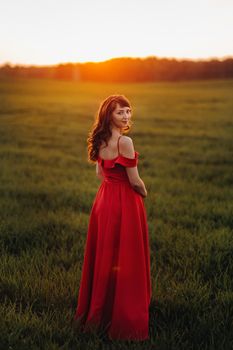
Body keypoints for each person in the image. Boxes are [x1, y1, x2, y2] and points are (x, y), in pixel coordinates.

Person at [73, 94, 152, 341]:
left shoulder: (100, 139)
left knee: (105, 253)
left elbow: (100, 172)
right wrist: (143, 192)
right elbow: (135, 180)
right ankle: (124, 320)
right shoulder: (124, 141)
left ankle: (99, 312)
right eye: (121, 112)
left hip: (104, 200)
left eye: (128, 111)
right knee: (127, 256)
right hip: (125, 201)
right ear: (109, 115)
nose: (126, 116)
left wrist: (112, 184)